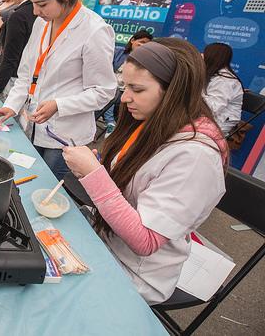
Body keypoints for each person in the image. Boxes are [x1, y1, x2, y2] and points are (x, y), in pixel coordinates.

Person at [62, 38, 228, 304]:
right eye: (125, 86)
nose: (125, 98)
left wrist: (95, 176)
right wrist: (100, 170)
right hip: (105, 243)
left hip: (134, 274)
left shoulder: (195, 157)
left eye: (137, 89)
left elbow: (145, 240)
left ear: (173, 91)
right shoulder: (151, 120)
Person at [0, 0, 117, 179]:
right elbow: (27, 75)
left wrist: (59, 105)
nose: (36, 11)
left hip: (66, 136)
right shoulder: (42, 23)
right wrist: (11, 105)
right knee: (30, 183)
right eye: (33, 4)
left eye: (42, 4)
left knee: (53, 192)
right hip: (33, 127)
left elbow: (104, 91)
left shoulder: (94, 30)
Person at [103, 30, 154, 136]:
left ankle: (112, 124)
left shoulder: (144, 61)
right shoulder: (119, 52)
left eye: (146, 44)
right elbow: (107, 67)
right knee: (110, 93)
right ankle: (110, 123)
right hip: (110, 84)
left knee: (115, 95)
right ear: (132, 40)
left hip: (126, 90)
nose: (143, 45)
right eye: (142, 42)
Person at [202, 42, 243, 135]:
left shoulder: (224, 80)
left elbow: (212, 108)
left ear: (212, 56)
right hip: (208, 119)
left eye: (205, 53)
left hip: (219, 123)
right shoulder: (214, 74)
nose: (202, 55)